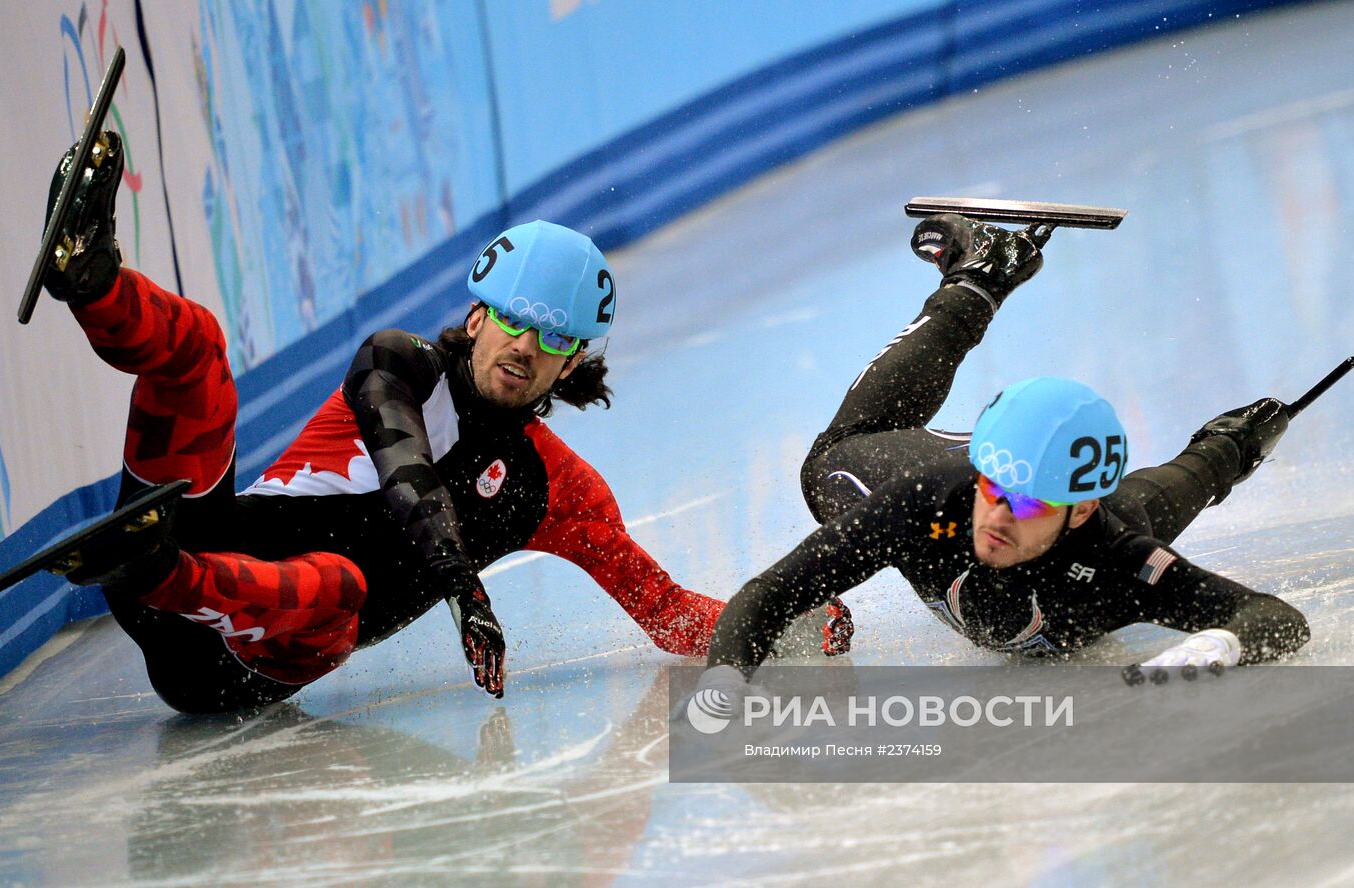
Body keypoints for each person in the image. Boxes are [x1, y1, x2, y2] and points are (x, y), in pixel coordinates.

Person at [41, 132, 852, 714]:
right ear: (478, 311)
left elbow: (667, 610)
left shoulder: (555, 490)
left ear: (574, 364)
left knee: (343, 589)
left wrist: (790, 617)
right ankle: (92, 274)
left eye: (556, 339)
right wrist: (464, 587)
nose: (527, 348)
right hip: (199, 541)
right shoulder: (395, 366)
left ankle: (150, 563)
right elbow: (409, 477)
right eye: (515, 320)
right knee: (200, 353)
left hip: (229, 663)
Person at [690, 212, 1309, 703]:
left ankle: (1238, 437)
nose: (998, 516)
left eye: (1030, 500)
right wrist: (724, 682)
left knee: (1189, 477)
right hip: (938, 474)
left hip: (1112, 518)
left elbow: (1274, 617)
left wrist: (1225, 644)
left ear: (1079, 509)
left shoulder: (1119, 559)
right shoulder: (931, 503)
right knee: (832, 464)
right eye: (995, 488)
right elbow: (771, 593)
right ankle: (979, 277)